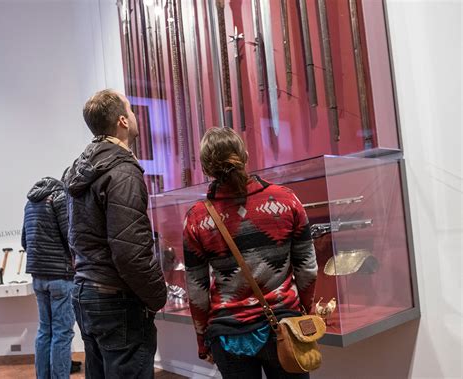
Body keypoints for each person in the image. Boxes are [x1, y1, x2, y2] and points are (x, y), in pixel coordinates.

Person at [183, 127, 318, 378]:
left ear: (206, 168)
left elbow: (196, 289)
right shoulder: (287, 200)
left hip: (229, 334)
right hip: (285, 327)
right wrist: (306, 315)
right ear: (245, 155)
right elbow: (307, 268)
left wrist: (202, 338)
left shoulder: (197, 218)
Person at [64, 89, 167, 378]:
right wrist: (158, 295)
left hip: (87, 292)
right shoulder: (121, 171)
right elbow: (129, 251)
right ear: (122, 120)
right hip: (115, 298)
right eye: (132, 110)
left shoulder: (82, 170)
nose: (135, 116)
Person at [22, 176, 81, 378]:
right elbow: (70, 237)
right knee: (62, 333)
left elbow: (25, 241)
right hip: (60, 276)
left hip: (38, 276)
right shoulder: (59, 197)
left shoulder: (30, 202)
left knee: (45, 330)